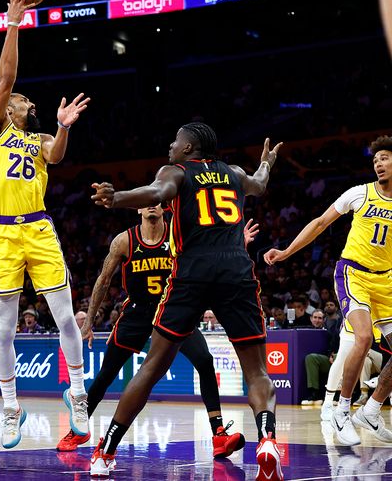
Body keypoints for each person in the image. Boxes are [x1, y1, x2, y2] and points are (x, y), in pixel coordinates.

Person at [89, 124, 284, 480]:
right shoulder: (234, 173)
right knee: (256, 372)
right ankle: (268, 439)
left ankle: (106, 451)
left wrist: (116, 198)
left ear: (189, 147)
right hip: (236, 271)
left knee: (150, 368)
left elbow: (155, 192)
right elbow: (259, 183)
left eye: (175, 140)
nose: (170, 144)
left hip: (192, 273)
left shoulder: (176, 171)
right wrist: (268, 163)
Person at [0, 0, 92, 449]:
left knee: (66, 319)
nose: (20, 103)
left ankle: (79, 394)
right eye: (16, 99)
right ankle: (11, 408)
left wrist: (64, 127)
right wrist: (12, 23)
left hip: (40, 226)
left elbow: (58, 156)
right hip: (3, 233)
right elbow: (6, 78)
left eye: (23, 101)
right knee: (3, 328)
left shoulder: (41, 138)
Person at [57, 205, 253, 459]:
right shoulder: (124, 240)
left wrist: (238, 248)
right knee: (107, 374)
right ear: (138, 208)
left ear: (165, 207)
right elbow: (104, 280)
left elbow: (211, 257)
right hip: (138, 312)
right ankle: (79, 429)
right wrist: (88, 322)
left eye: (157, 200)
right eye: (147, 201)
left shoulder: (179, 235)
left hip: (173, 310)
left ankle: (218, 435)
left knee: (205, 361)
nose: (152, 205)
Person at [264, 135, 392, 446]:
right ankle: (341, 410)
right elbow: (320, 223)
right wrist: (285, 252)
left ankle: (372, 409)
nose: (378, 163)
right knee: (362, 338)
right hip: (353, 274)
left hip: (386, 281)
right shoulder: (360, 194)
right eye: (376, 160)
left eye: (385, 158)